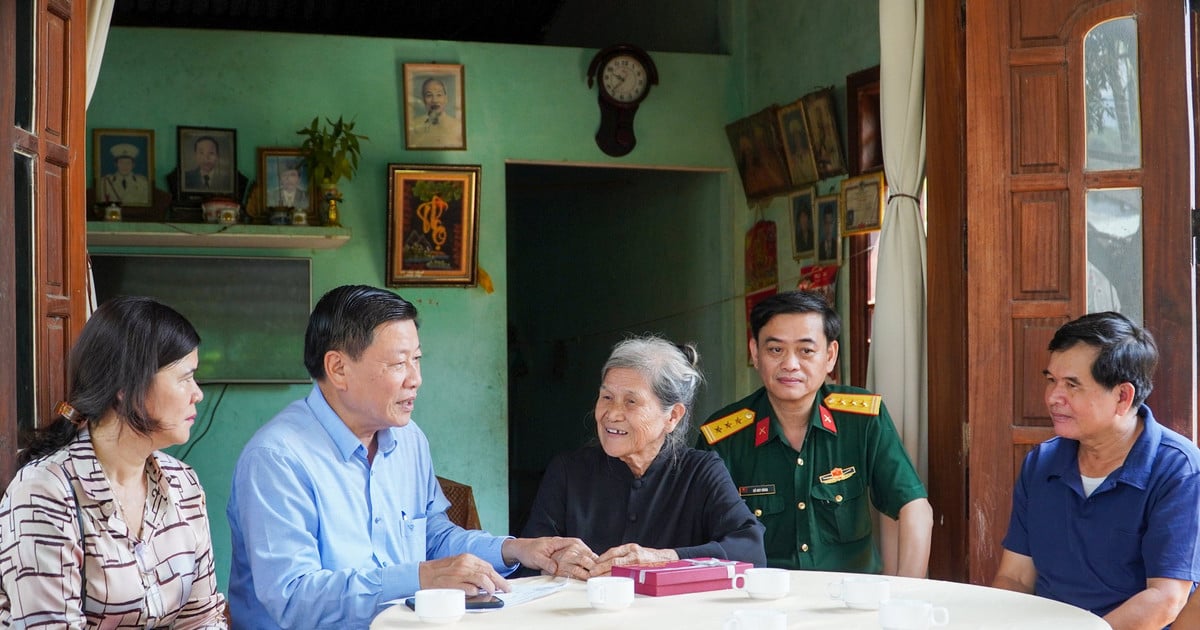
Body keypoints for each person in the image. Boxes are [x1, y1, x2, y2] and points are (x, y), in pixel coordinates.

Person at [227, 285, 581, 629]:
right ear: (337, 369)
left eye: (417, 360)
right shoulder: (277, 459)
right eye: (399, 364)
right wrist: (422, 577)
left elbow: (433, 538)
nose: (416, 379)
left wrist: (515, 550)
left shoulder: (408, 439)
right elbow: (295, 599)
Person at [0, 296, 226, 627]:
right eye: (184, 377)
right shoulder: (43, 492)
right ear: (126, 386)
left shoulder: (184, 484)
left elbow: (201, 619)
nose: (198, 393)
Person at [699, 290, 932, 576]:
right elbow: (702, 538)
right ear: (754, 353)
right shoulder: (722, 439)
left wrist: (906, 597)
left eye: (806, 350)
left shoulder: (862, 419)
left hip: (850, 604)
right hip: (762, 607)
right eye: (775, 350)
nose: (790, 364)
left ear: (830, 355)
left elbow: (914, 508)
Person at [992, 312, 1200, 628]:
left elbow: (1165, 599)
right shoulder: (1041, 463)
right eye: (1051, 380)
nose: (1052, 398)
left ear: (1122, 396)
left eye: (1072, 385)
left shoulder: (1178, 469)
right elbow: (1015, 576)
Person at [521, 335, 766, 579]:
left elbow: (751, 551)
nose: (612, 414)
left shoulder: (700, 472)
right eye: (606, 397)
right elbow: (526, 559)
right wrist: (554, 562)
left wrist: (664, 559)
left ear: (672, 417)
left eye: (631, 402)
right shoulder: (568, 471)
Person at [407, 77, 463, 148]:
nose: (435, 100)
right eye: (429, 95)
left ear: (446, 99)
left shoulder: (457, 126)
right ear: (423, 100)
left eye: (439, 95)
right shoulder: (414, 125)